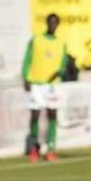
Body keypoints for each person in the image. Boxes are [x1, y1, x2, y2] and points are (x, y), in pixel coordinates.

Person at [21, 13, 67, 162]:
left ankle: (51, 149)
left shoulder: (61, 43)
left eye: (55, 22)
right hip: (36, 83)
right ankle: (34, 148)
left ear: (58, 25)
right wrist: (25, 78)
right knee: (35, 115)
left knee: (52, 114)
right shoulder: (36, 40)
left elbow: (64, 63)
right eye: (51, 22)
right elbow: (27, 59)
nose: (53, 24)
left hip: (52, 85)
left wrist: (60, 72)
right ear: (47, 23)